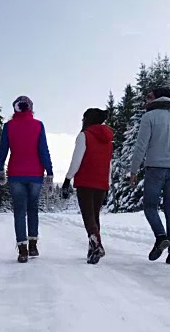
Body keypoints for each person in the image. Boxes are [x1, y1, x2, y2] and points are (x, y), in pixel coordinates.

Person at [130, 87, 170, 266]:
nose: (147, 100)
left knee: (150, 207)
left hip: (155, 169)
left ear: (158, 98)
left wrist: (133, 171)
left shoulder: (149, 117)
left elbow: (140, 146)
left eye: (149, 97)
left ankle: (160, 236)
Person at [0, 96, 54, 263]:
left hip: (16, 174)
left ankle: (22, 250)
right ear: (31, 108)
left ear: (15, 108)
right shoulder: (38, 125)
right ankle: (33, 245)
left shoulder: (8, 127)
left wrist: (0, 169)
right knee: (33, 209)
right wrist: (49, 172)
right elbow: (44, 150)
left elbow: (3, 150)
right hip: (36, 175)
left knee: (19, 211)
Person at [61, 108, 113, 264]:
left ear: (87, 119)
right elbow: (108, 164)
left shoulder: (84, 136)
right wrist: (107, 186)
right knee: (95, 217)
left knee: (88, 217)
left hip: (85, 182)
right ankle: (93, 251)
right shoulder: (108, 139)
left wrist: (67, 179)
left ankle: (96, 245)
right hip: (101, 183)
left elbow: (76, 160)